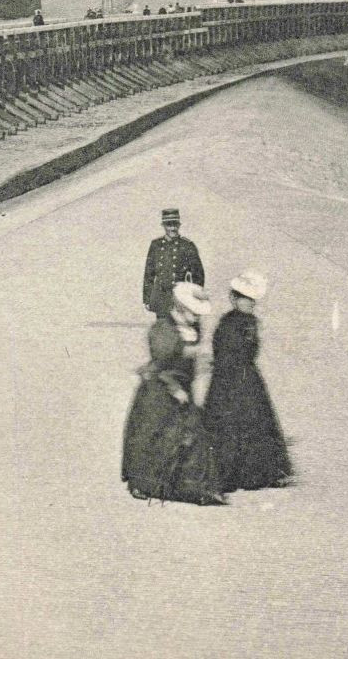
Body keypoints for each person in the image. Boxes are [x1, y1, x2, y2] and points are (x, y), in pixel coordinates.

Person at [121, 283, 225, 505]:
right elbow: (159, 365)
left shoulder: (193, 328)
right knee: (154, 435)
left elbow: (189, 360)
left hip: (182, 389)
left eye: (198, 314)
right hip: (159, 391)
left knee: (194, 433)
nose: (196, 318)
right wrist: (175, 388)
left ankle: (195, 487)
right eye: (192, 313)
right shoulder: (162, 329)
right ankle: (144, 484)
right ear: (179, 307)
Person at [203, 271, 293, 492]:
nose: (251, 303)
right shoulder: (227, 324)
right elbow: (222, 354)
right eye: (245, 298)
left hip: (247, 378)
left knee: (255, 424)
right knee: (230, 426)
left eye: (252, 299)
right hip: (229, 380)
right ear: (234, 299)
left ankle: (256, 474)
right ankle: (230, 475)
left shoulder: (251, 322)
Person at [142, 207, 204, 317]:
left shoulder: (187, 246)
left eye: (175, 224)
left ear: (179, 225)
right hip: (161, 298)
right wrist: (147, 298)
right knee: (162, 330)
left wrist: (194, 299)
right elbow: (149, 273)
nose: (172, 228)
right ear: (164, 226)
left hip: (179, 298)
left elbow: (198, 275)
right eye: (169, 225)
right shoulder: (156, 245)